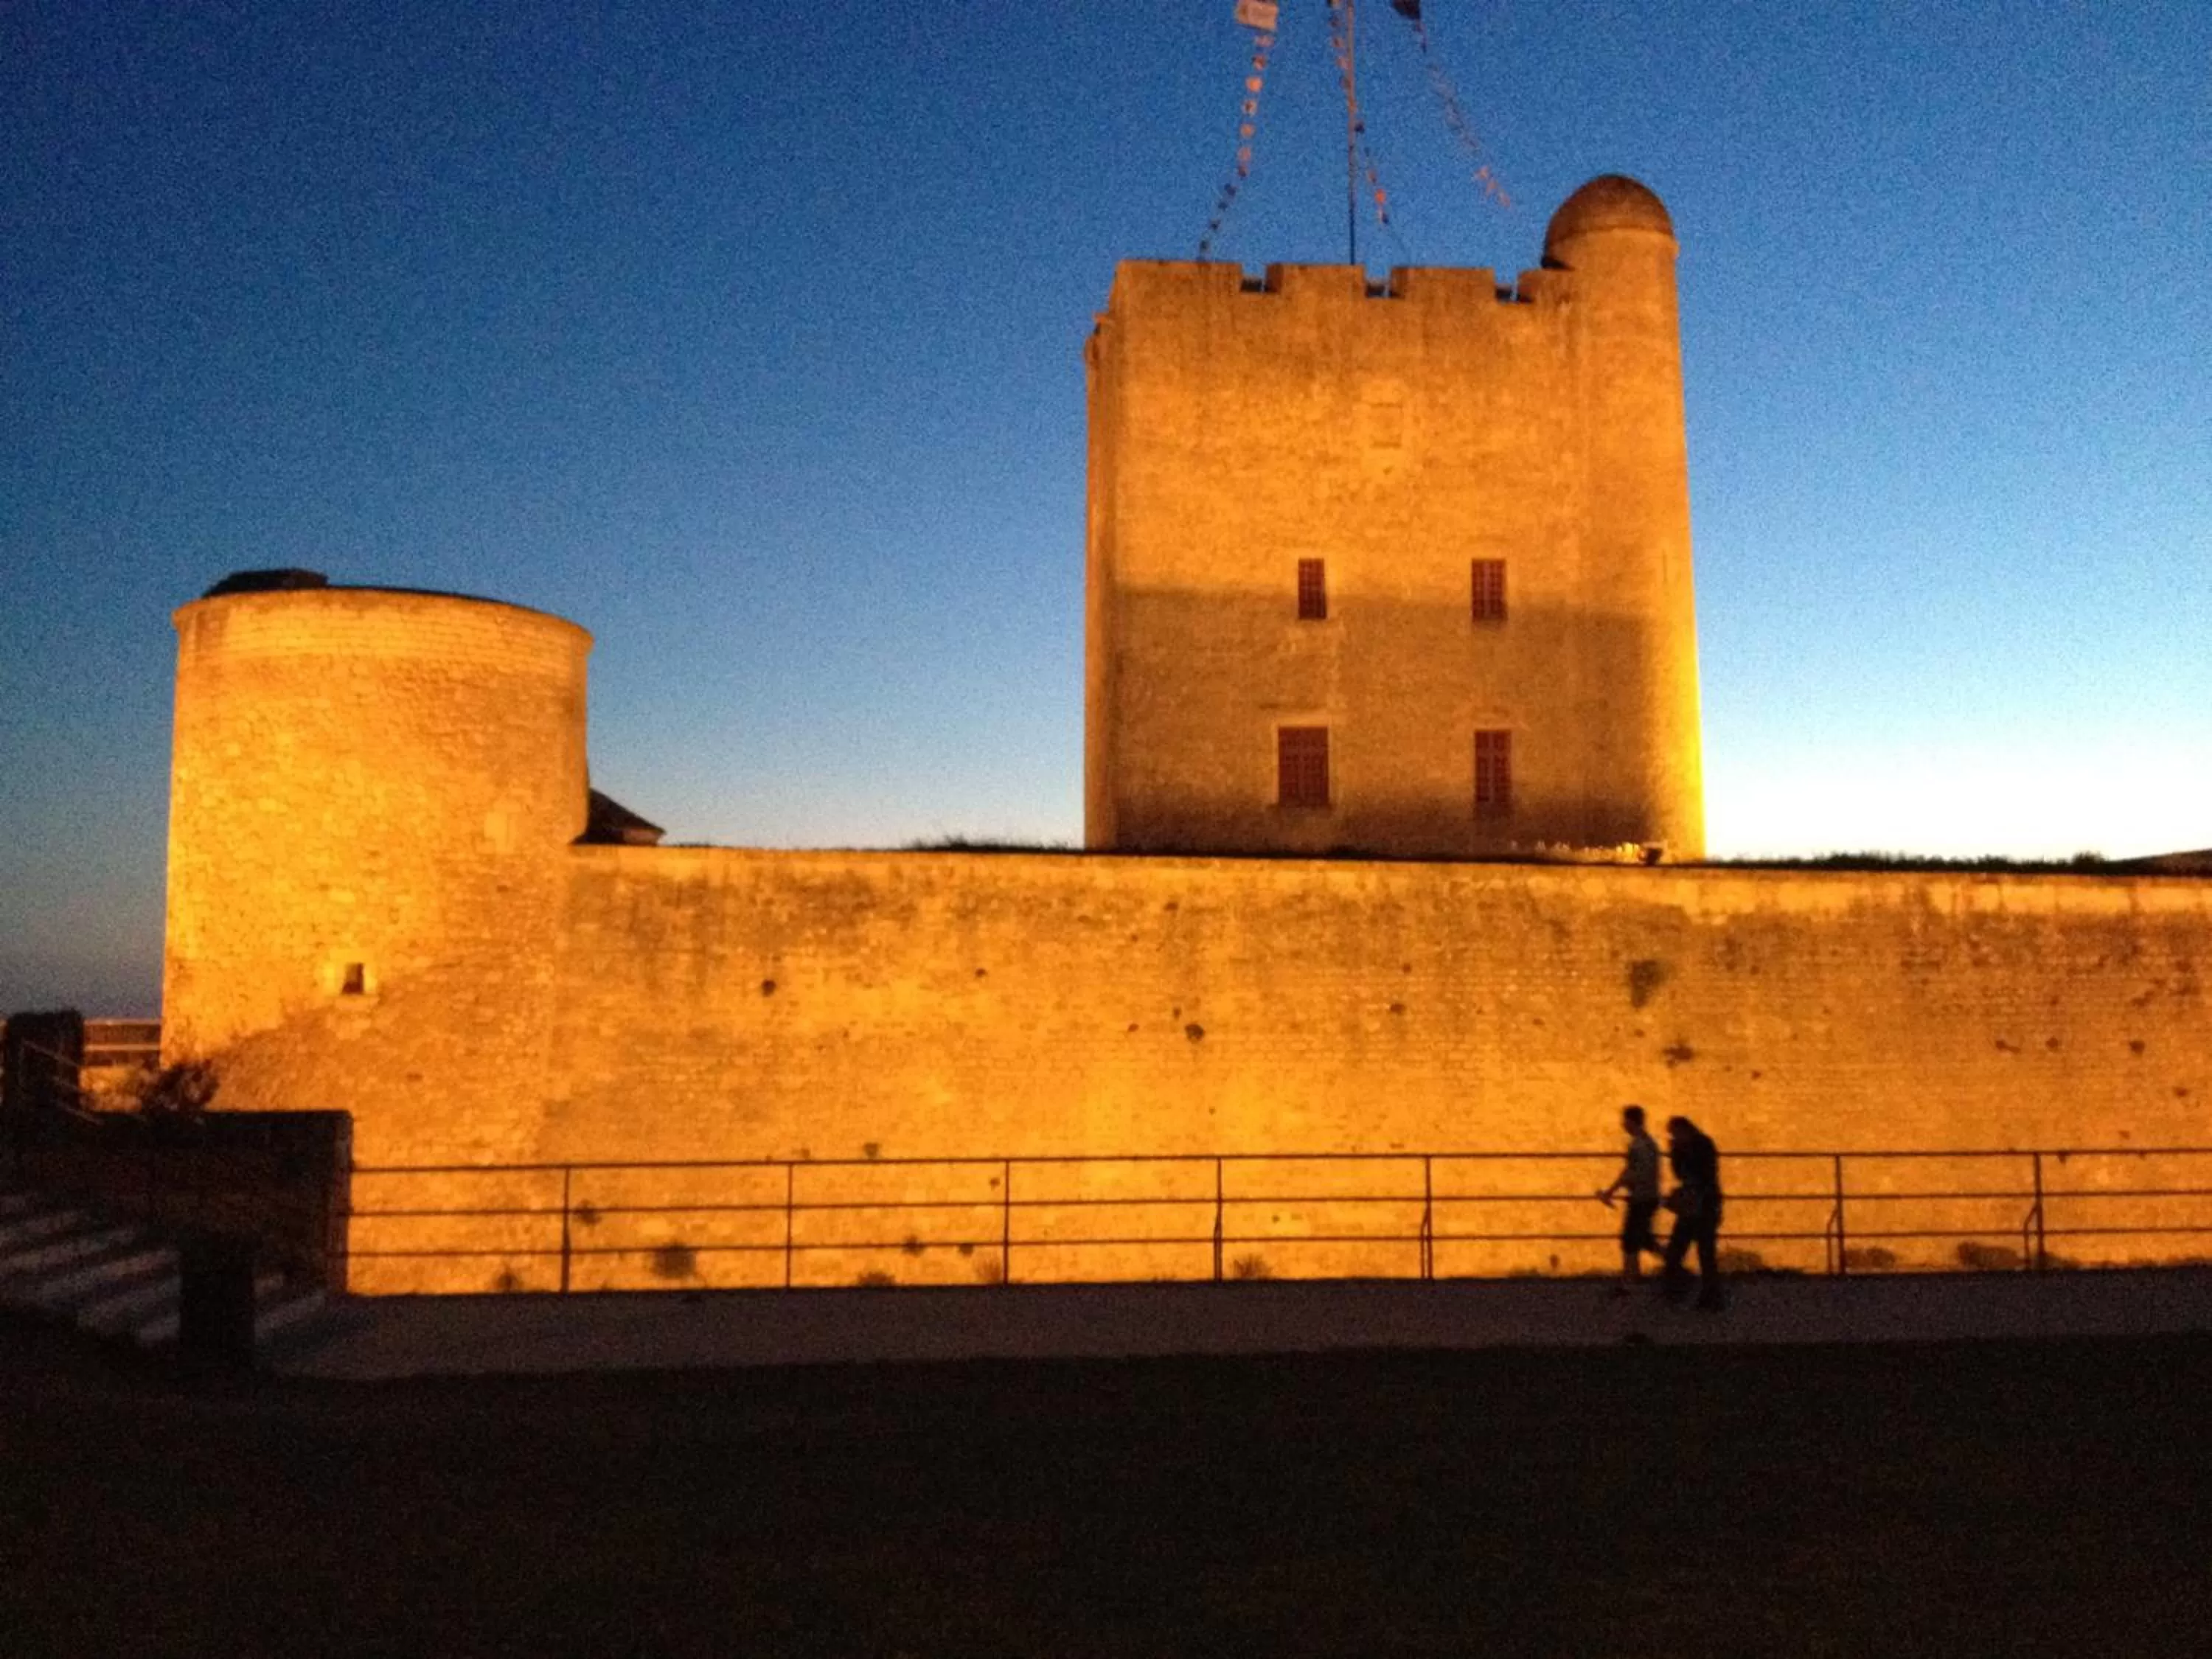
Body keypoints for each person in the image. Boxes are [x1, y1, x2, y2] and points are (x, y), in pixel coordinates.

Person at [1594, 1104, 1662, 1294]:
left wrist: (1611, 1191)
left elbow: (1630, 1173)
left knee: (1630, 1239)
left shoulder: (1638, 1146)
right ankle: (1672, 1267)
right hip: (1649, 1195)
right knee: (1645, 1239)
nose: (1623, 1124)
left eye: (1625, 1120)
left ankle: (1630, 1279)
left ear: (1632, 1121)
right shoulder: (1649, 1143)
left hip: (1641, 1197)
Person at [1661, 1115, 1724, 1308]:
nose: (1673, 1137)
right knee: (1701, 1252)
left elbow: (1697, 1175)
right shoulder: (1702, 1144)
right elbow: (1683, 1174)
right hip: (1700, 1204)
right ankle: (1706, 1294)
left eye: (1674, 1133)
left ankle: (1695, 1292)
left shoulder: (1702, 1146)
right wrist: (1676, 1153)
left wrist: (1677, 1153)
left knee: (1695, 1251)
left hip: (1698, 1205)